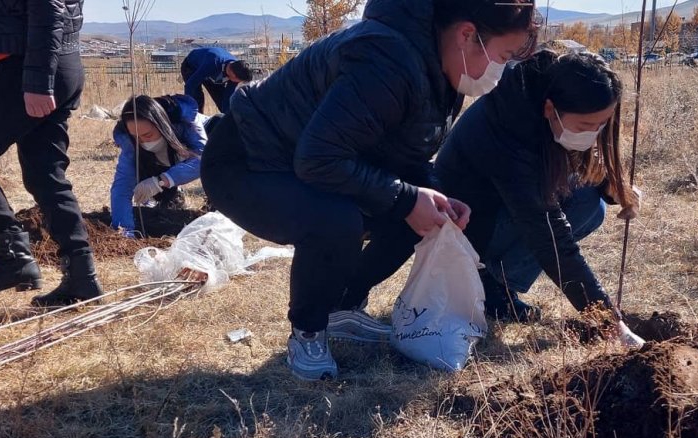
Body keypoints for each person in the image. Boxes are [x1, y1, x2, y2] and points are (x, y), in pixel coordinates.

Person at [202, 0, 539, 380]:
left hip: (305, 163)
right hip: (248, 161)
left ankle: (340, 308)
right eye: (504, 55)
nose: (502, 69)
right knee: (335, 219)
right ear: (467, 35)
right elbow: (319, 159)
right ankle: (309, 329)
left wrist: (432, 194)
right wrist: (408, 197)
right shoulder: (387, 58)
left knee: (416, 216)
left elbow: (404, 154)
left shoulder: (441, 68)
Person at [434, 50, 645, 346]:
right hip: (466, 227)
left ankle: (497, 285)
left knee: (590, 203)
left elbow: (572, 169)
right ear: (550, 109)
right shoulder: (507, 128)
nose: (593, 135)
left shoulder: (554, 90)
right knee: (557, 221)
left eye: (601, 125)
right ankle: (488, 283)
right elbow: (549, 237)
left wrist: (613, 188)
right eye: (586, 126)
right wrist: (610, 323)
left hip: (502, 210)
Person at [0, 0, 103, 307]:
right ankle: (82, 276)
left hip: (27, 69)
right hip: (52, 64)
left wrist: (39, 81)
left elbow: (47, 6)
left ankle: (11, 256)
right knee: (46, 175)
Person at [110, 94, 207, 235]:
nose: (143, 141)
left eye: (148, 135)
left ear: (161, 125)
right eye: (136, 137)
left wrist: (161, 181)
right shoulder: (130, 142)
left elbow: (203, 160)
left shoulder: (186, 123)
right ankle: (172, 197)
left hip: (214, 147)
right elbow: (122, 188)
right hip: (168, 159)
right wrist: (124, 230)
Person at [180, 47, 253, 114]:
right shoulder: (213, 62)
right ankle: (195, 121)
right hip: (192, 67)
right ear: (233, 75)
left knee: (221, 99)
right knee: (196, 98)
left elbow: (228, 97)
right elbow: (190, 85)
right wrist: (188, 107)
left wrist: (228, 116)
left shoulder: (237, 70)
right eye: (239, 81)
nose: (239, 83)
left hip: (214, 74)